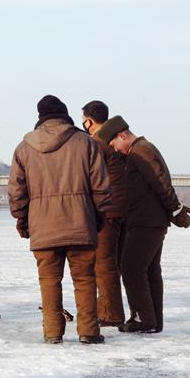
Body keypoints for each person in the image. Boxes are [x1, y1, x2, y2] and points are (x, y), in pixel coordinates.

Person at [8, 95, 112, 345]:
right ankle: (88, 331)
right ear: (65, 114)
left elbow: (16, 192)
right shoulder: (85, 143)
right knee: (85, 279)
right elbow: (101, 187)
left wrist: (23, 220)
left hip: (43, 227)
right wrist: (98, 216)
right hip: (80, 223)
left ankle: (53, 331)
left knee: (49, 281)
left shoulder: (24, 148)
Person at [97, 115, 185, 334]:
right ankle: (153, 320)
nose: (115, 150)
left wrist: (175, 209)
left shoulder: (141, 151)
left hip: (145, 221)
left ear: (122, 135)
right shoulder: (141, 150)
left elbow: (160, 181)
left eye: (114, 144)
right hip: (150, 220)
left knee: (132, 268)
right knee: (150, 270)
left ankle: (143, 319)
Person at [81, 100, 127, 328]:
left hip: (107, 210)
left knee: (104, 263)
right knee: (112, 263)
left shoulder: (98, 143)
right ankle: (109, 309)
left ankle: (111, 314)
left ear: (89, 120)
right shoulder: (114, 139)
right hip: (120, 208)